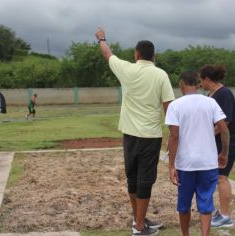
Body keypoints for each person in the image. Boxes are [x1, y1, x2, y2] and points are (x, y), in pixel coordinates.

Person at [95, 27, 175, 236]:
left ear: (136, 54)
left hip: (129, 135)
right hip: (150, 136)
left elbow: (107, 53)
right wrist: (174, 135)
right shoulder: (161, 75)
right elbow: (169, 107)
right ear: (154, 56)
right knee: (145, 179)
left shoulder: (127, 69)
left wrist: (101, 37)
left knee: (133, 178)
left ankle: (139, 220)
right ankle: (139, 226)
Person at [166, 71, 230, 236]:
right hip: (207, 162)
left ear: (181, 85)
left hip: (185, 164)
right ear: (198, 84)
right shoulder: (210, 103)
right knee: (205, 203)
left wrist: (171, 165)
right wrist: (224, 152)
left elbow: (174, 136)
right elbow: (224, 129)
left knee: (184, 204)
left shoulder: (175, 105)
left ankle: (186, 234)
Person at [198, 64, 235, 228]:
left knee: (221, 177)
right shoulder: (210, 93)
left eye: (201, 80)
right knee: (218, 177)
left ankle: (225, 217)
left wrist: (206, 136)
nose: (200, 83)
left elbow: (225, 122)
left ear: (206, 79)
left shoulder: (224, 93)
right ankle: (222, 213)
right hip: (219, 141)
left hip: (230, 141)